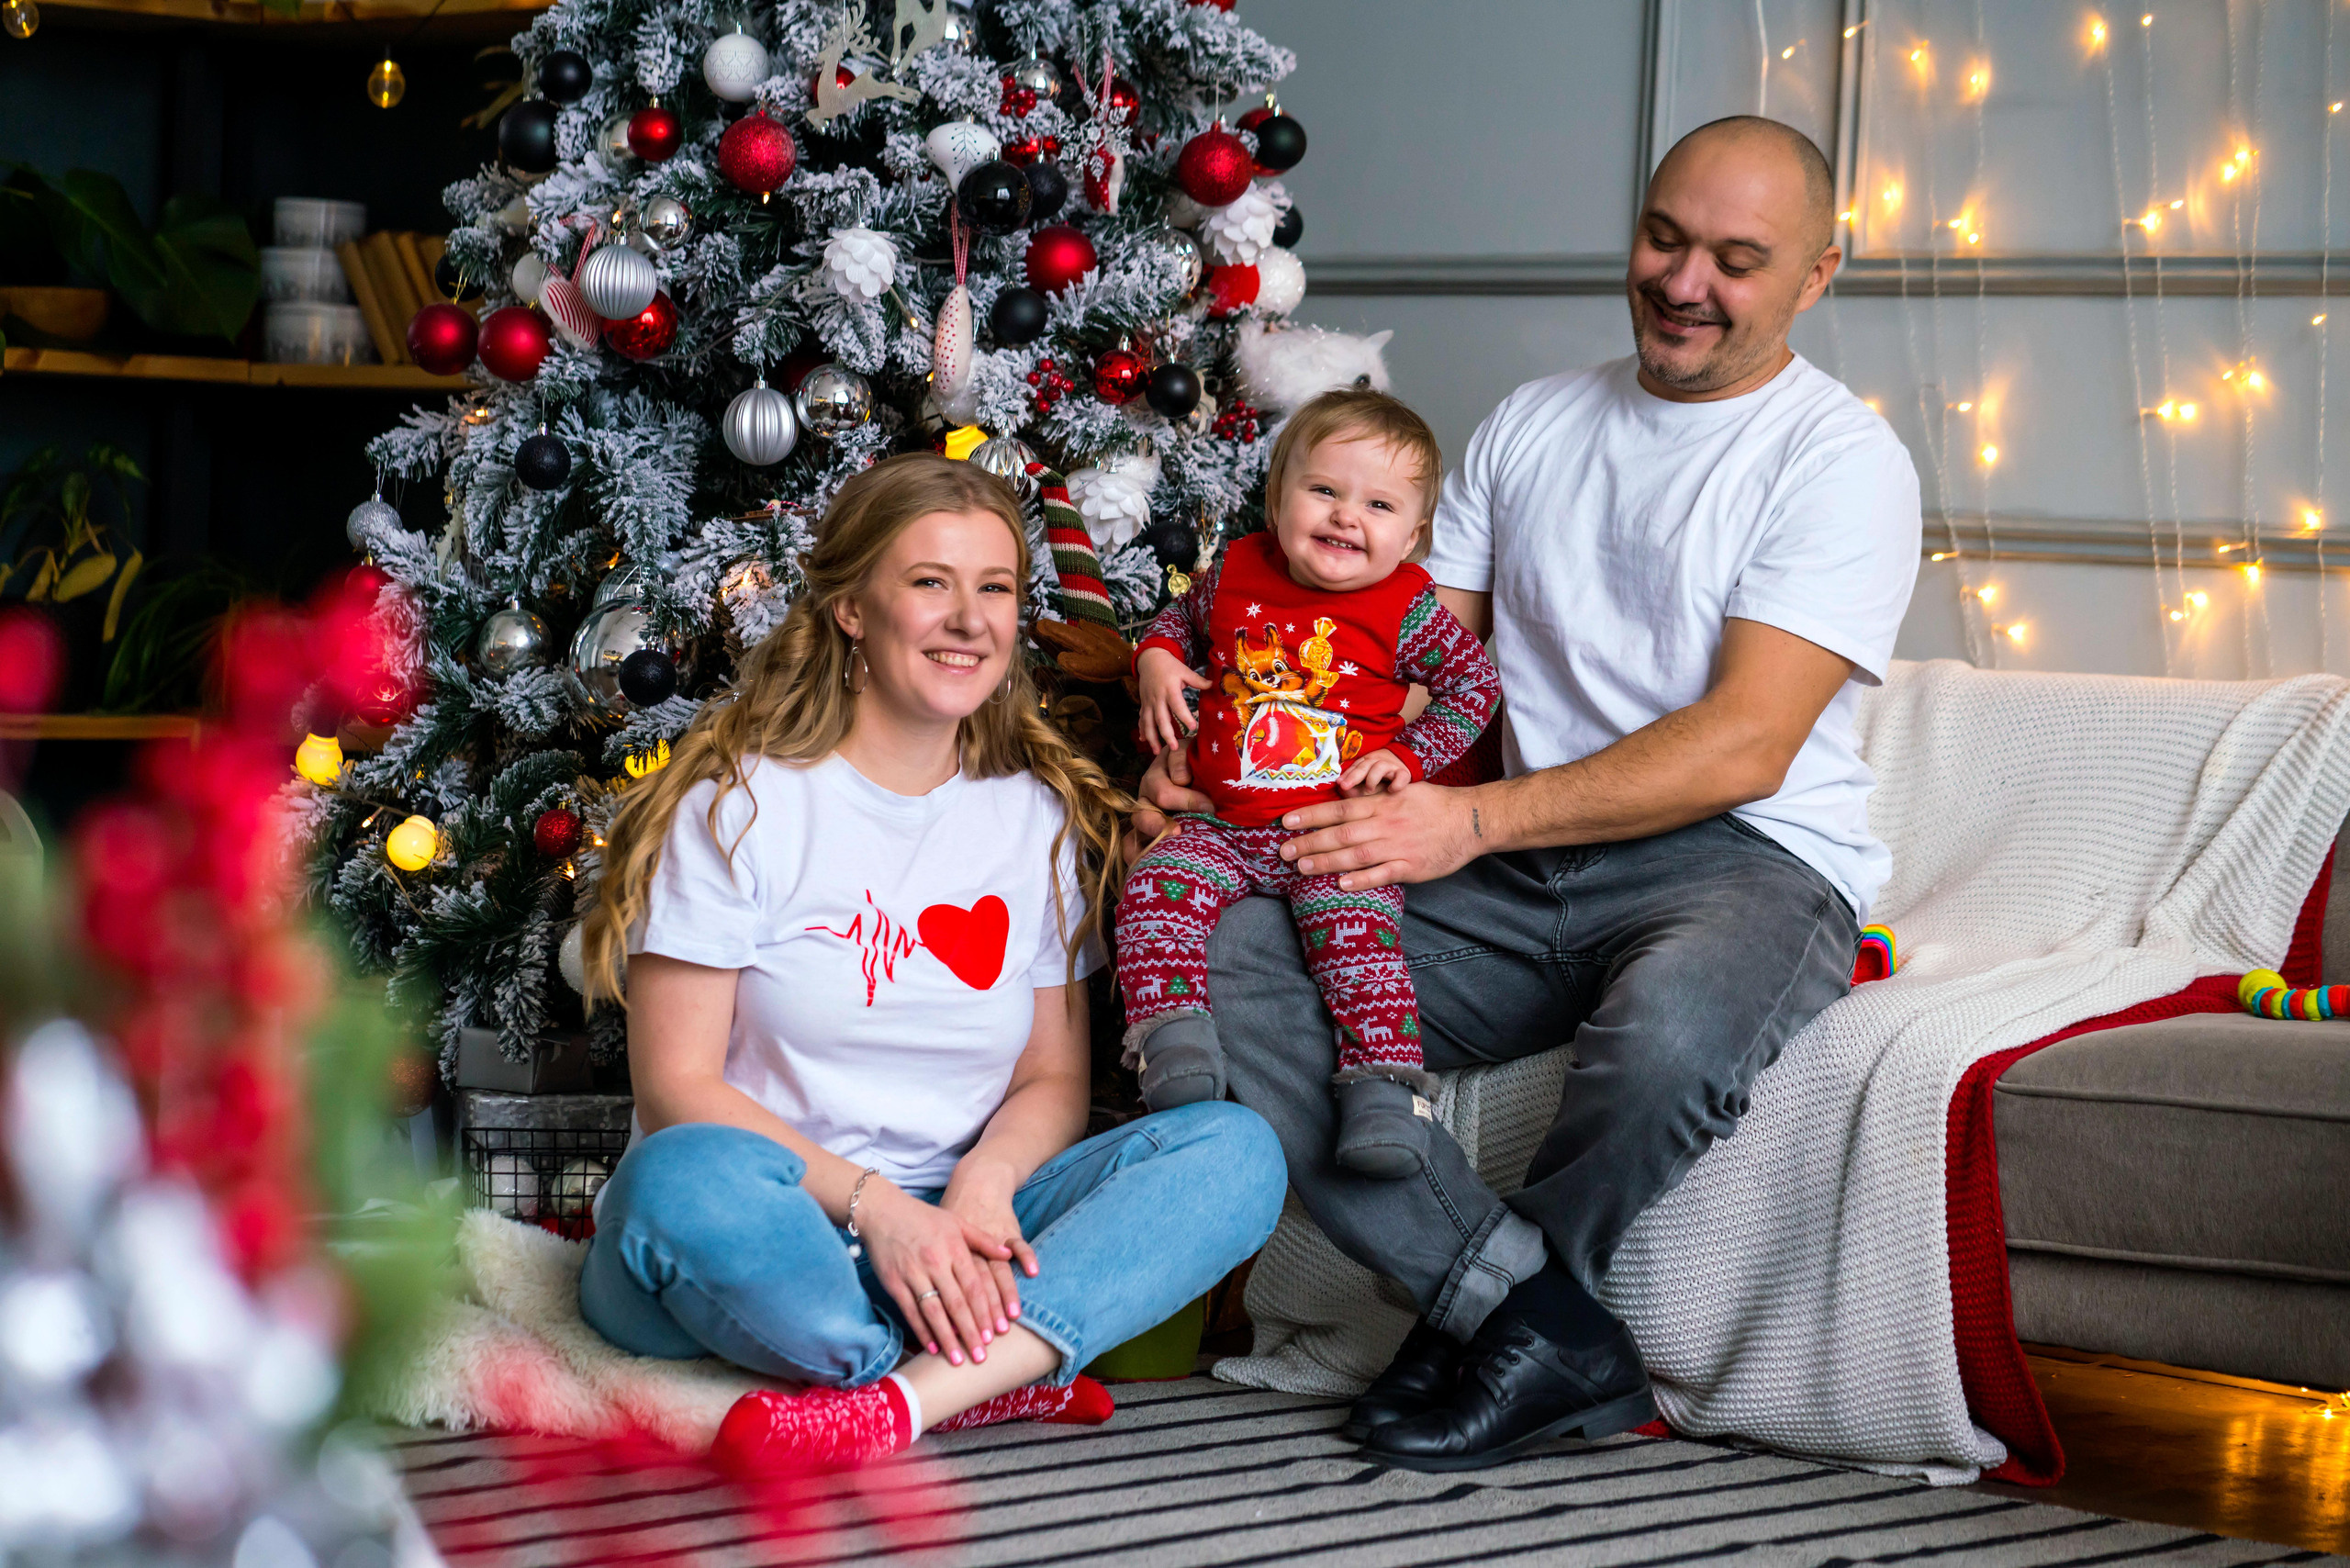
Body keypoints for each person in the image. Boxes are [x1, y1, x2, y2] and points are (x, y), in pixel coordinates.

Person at [1134, 114, 1923, 1471]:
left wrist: (1471, 818)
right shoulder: (1535, 423)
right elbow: (1378, 681)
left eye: (1738, 260)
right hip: (1506, 867)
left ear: (1817, 274)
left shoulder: (1840, 461)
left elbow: (1744, 744)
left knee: (1671, 1039)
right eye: (1665, 238)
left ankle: (1492, 1331)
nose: (1684, 282)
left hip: (1744, 860)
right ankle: (1535, 1320)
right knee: (1226, 945)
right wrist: (1232, 776)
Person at [576, 454, 1286, 1473]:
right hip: (779, 1220)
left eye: (993, 588)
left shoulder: (1030, 815)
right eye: (929, 583)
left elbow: (1050, 1076)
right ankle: (968, 1372)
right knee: (675, 1183)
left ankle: (897, 1397)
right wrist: (884, 1214)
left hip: (966, 1221)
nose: (970, 619)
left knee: (1234, 1151)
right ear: (854, 609)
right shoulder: (741, 806)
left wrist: (982, 1190)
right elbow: (677, 1085)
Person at [1120, 389, 1499, 1180]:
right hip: (1222, 822)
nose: (1345, 516)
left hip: (1337, 830)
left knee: (1358, 946)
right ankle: (1172, 1040)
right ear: (1278, 498)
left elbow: (1473, 687)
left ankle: (1384, 1092)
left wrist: (1413, 757)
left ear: (1412, 535)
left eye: (1379, 504)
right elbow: (1171, 626)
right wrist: (1156, 659)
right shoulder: (1233, 570)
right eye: (1323, 490)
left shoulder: (1407, 607)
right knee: (1154, 891)